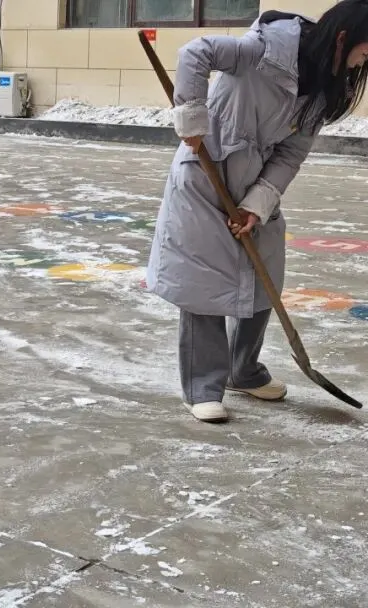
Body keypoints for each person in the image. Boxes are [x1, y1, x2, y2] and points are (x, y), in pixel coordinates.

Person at [147, 0, 368, 423]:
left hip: (253, 185)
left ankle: (242, 370)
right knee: (203, 284)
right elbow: (195, 53)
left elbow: (290, 154)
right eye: (365, 52)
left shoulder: (323, 90)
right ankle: (202, 387)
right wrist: (192, 120)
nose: (363, 63)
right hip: (204, 175)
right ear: (343, 38)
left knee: (264, 279)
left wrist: (257, 204)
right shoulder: (264, 48)